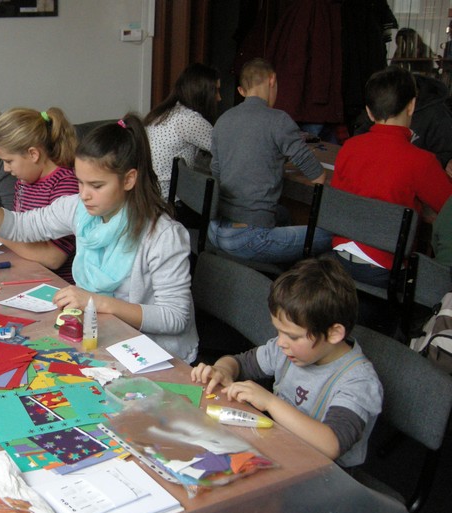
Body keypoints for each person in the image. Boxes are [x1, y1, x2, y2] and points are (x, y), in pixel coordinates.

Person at [0, 114, 200, 363]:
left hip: (157, 356)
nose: (84, 194)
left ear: (129, 180)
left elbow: (174, 317)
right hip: (104, 338)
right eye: (80, 182)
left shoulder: (163, 236)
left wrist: (96, 301)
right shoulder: (79, 210)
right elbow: (20, 226)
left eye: (96, 185)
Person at [191, 257, 382, 468]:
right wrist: (221, 370)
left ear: (334, 333)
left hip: (325, 474)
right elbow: (240, 363)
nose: (281, 342)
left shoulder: (358, 381)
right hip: (279, 448)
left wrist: (270, 403)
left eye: (293, 336)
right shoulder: (287, 350)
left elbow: (331, 445)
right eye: (279, 331)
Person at [331, 67, 452, 287]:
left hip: (338, 256)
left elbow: (340, 201)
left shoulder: (349, 147)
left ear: (369, 112)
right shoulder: (421, 160)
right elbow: (448, 207)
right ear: (411, 106)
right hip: (386, 268)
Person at [209, 58, 331, 265]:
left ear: (242, 90)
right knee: (331, 237)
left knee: (283, 214)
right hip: (249, 238)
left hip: (215, 230)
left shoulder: (223, 120)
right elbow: (317, 176)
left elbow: (217, 172)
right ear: (272, 80)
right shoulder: (278, 120)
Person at [0, 107, 79, 283]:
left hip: (57, 285)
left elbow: (54, 258)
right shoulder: (25, 181)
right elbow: (20, 228)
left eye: (9, 161)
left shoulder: (65, 185)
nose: (5, 169)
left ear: (33, 154)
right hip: (28, 273)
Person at [144, 63, 221, 197]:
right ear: (202, 93)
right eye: (216, 91)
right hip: (169, 196)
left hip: (149, 191)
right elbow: (225, 151)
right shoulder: (189, 120)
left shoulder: (164, 112)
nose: (219, 98)